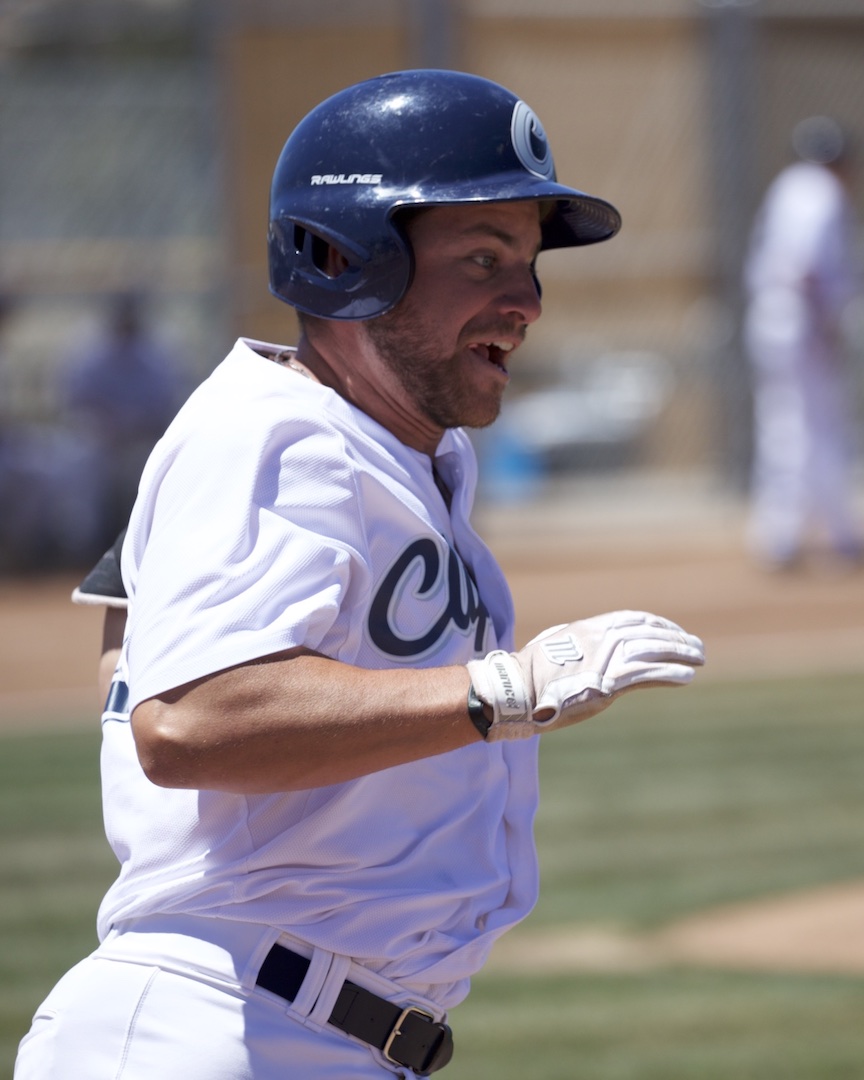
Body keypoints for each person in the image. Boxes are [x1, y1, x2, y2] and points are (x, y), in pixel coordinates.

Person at [15, 70, 705, 1079]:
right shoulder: (281, 436)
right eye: (484, 258)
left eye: (527, 264)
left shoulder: (395, 453)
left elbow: (139, 663)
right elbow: (189, 721)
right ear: (345, 257)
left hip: (297, 1028)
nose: (527, 302)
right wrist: (505, 689)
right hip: (224, 1026)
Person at [743, 115, 863, 570]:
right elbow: (807, 266)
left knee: (788, 421)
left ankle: (795, 533)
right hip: (802, 316)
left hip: (775, 313)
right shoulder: (821, 190)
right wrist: (825, 324)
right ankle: (804, 535)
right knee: (810, 424)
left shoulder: (789, 185)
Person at [59, 290, 185, 554]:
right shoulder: (92, 352)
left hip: (142, 440)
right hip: (99, 440)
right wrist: (104, 426)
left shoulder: (154, 355)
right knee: (82, 469)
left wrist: (138, 427)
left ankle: (143, 547)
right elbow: (76, 402)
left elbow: (167, 406)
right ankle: (84, 549)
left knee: (150, 470)